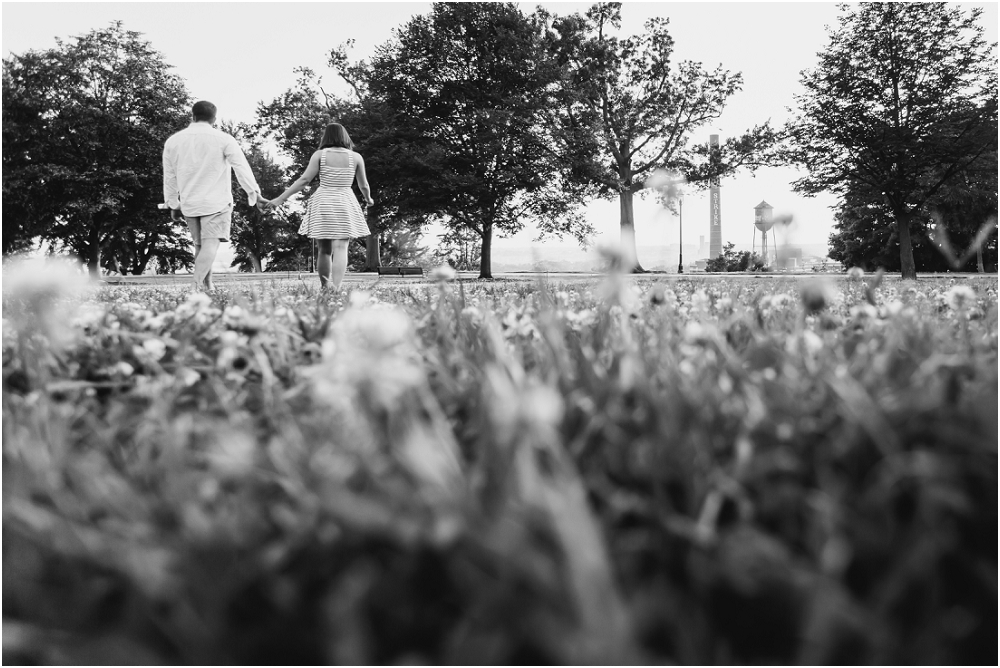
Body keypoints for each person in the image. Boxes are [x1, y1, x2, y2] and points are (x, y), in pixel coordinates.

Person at [163, 100, 268, 291]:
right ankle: (195, 286)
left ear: (193, 116)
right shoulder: (223, 139)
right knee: (210, 245)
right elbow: (241, 167)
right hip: (216, 201)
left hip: (190, 202)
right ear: (214, 119)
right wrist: (254, 193)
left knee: (200, 246)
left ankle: (208, 286)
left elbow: (169, 176)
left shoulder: (173, 141)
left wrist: (172, 203)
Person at [265, 123, 373, 290]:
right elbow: (363, 185)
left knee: (324, 249)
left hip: (323, 201)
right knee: (341, 247)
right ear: (345, 137)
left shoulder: (319, 155)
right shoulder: (356, 157)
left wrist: (280, 199)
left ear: (326, 137)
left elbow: (304, 180)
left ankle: (325, 288)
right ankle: (336, 288)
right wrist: (368, 198)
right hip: (345, 201)